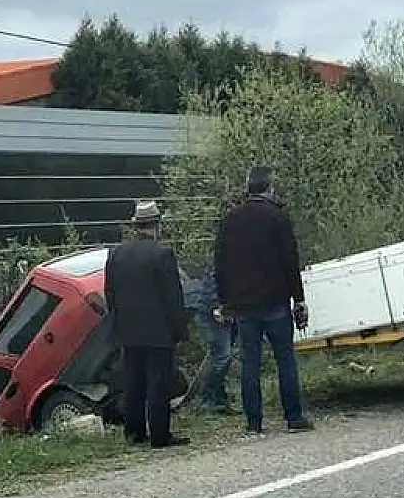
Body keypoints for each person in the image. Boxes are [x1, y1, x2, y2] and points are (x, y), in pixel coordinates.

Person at [212, 165, 314, 435]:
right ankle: (293, 417)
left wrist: (225, 302)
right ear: (270, 187)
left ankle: (254, 422)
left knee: (250, 362)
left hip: (244, 305)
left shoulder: (230, 220)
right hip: (276, 301)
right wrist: (299, 298)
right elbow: (290, 261)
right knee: (285, 360)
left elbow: (220, 265)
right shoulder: (277, 218)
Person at [103, 198, 191, 449]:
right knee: (158, 384)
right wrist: (179, 330)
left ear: (136, 226)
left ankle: (134, 432)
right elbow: (172, 297)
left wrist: (117, 326)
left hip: (128, 331)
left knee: (133, 383)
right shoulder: (162, 254)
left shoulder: (116, 254)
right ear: (157, 225)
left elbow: (110, 294)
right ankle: (160, 435)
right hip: (159, 331)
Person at [192, 267, 236, 415]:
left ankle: (217, 399)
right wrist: (217, 306)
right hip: (213, 314)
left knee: (221, 357)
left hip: (226, 313)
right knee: (223, 356)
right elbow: (211, 288)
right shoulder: (225, 260)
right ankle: (207, 398)